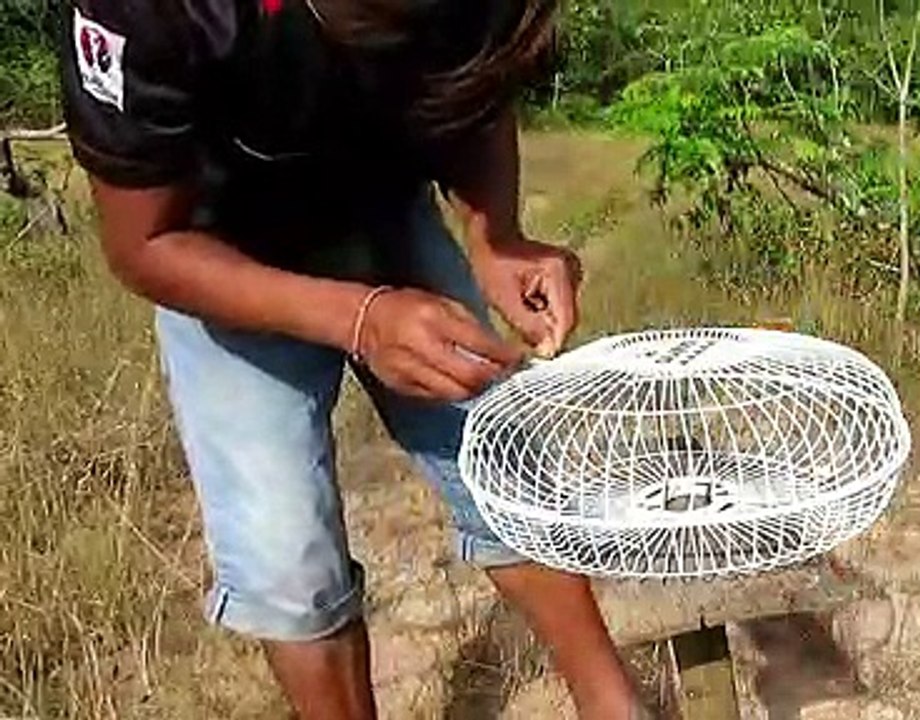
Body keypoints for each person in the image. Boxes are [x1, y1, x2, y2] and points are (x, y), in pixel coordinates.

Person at [57, 0, 646, 717]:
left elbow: (476, 85)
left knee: (498, 464)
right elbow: (141, 244)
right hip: (219, 249)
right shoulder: (151, 11)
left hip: (382, 203)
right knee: (286, 560)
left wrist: (497, 233)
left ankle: (615, 706)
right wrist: (360, 318)